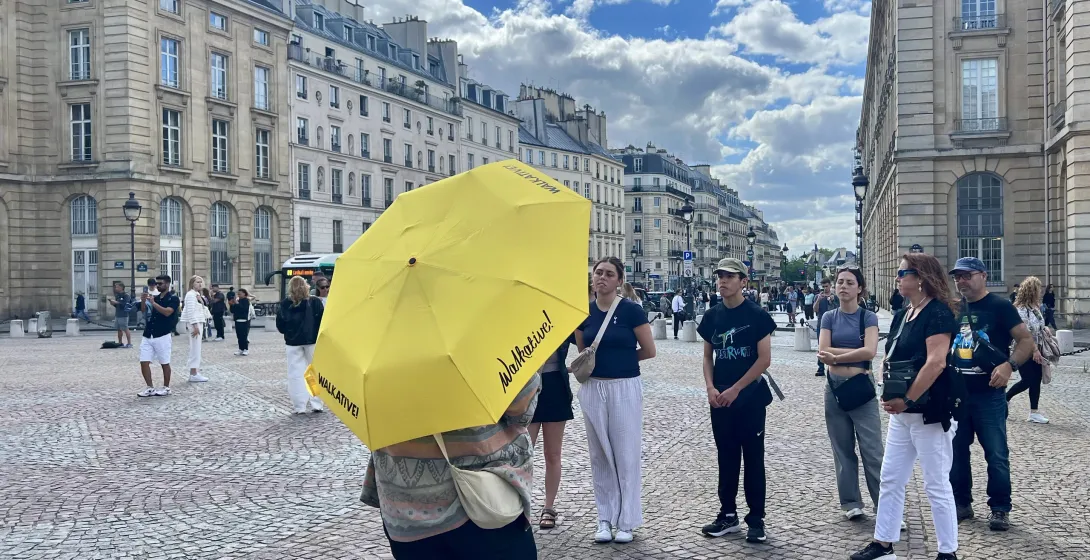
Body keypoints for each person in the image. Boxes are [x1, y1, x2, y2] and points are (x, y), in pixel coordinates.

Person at [850, 253, 961, 560]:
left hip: (928, 410)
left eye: (902, 274)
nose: (897, 279)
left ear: (921, 277)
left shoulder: (938, 313)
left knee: (936, 483)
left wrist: (908, 398)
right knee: (891, 477)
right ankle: (883, 543)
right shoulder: (903, 313)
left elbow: (936, 362)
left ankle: (947, 551)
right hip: (902, 413)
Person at [361, 374, 542, 559]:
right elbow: (521, 409)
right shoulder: (476, 346)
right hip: (478, 500)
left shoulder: (370, 353)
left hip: (402, 509)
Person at [948, 257, 1034, 531]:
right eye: (957, 277)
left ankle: (999, 508)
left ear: (983, 276)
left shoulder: (1000, 306)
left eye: (966, 275)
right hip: (958, 394)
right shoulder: (952, 308)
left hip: (989, 394)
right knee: (956, 452)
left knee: (996, 454)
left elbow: (1026, 341)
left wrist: (1010, 366)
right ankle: (961, 503)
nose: (961, 281)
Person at [575, 257, 656, 544]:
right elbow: (583, 352)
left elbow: (649, 350)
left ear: (619, 280)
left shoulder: (632, 311)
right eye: (598, 273)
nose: (602, 278)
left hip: (624, 387)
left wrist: (621, 360)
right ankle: (604, 518)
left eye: (609, 274)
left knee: (625, 454)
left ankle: (627, 520)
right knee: (599, 456)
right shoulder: (582, 312)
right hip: (593, 388)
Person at [697, 258, 777, 544]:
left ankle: (756, 519)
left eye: (729, 276)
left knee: (753, 458)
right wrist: (709, 387)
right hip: (719, 398)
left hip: (750, 398)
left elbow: (764, 359)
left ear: (744, 281)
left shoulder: (757, 315)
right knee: (726, 457)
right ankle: (727, 515)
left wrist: (737, 389)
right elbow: (708, 355)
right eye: (720, 276)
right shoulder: (712, 316)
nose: (722, 281)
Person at [817, 266, 882, 521]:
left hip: (861, 389)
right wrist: (836, 354)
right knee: (842, 449)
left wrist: (836, 354)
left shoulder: (867, 317)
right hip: (834, 388)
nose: (843, 286)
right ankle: (851, 502)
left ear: (859, 288)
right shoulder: (829, 318)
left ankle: (884, 507)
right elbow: (823, 351)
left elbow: (870, 352)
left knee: (873, 451)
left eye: (849, 283)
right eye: (839, 282)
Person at [528, 332, 576, 530]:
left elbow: (587, 336)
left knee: (553, 454)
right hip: (526, 388)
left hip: (555, 385)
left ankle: (549, 507)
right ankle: (519, 507)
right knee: (523, 453)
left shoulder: (561, 321)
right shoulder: (520, 319)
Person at [276, 276, 326, 415]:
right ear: (306, 286)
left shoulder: (285, 304)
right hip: (312, 340)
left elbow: (280, 326)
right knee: (314, 371)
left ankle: (299, 406)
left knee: (295, 374)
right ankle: (317, 402)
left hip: (292, 342)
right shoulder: (315, 302)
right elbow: (322, 321)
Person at [1007, 277, 1050, 424]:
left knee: (1036, 380)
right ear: (1032, 290)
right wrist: (1034, 351)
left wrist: (1045, 329)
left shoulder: (1035, 307)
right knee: (1028, 379)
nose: (1041, 292)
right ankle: (1006, 398)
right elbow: (1024, 333)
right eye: (1039, 289)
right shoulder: (1020, 309)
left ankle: (1034, 412)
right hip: (1023, 350)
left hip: (1037, 347)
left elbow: (1038, 326)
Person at [137, 275, 180, 397]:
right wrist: (144, 301)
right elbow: (144, 311)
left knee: (164, 362)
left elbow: (167, 312)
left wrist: (153, 303)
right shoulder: (155, 298)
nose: (158, 285)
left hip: (162, 334)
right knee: (144, 361)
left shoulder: (173, 298)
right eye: (157, 284)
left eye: (160, 283)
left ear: (167, 284)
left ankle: (166, 387)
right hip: (148, 333)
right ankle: (149, 387)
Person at [180, 275, 209, 383]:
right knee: (195, 348)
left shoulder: (196, 294)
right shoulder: (190, 295)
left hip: (198, 322)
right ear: (192, 283)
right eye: (197, 282)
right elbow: (191, 311)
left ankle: (195, 370)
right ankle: (193, 373)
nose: (200, 284)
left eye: (201, 282)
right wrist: (195, 326)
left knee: (197, 348)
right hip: (194, 323)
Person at [814, 279, 839, 376]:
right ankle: (820, 367)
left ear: (830, 286)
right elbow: (815, 310)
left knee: (835, 345)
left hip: (834, 324)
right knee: (821, 345)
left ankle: (834, 365)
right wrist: (818, 300)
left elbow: (840, 309)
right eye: (823, 287)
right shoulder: (818, 296)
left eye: (826, 286)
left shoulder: (835, 297)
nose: (825, 288)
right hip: (821, 324)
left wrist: (833, 300)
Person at [107, 282, 133, 348]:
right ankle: (120, 342)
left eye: (117, 287)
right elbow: (118, 305)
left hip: (124, 315)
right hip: (118, 314)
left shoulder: (126, 295)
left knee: (125, 328)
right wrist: (113, 304)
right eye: (116, 287)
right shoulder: (118, 295)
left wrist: (116, 302)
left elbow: (125, 304)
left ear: (121, 288)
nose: (116, 288)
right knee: (119, 329)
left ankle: (129, 343)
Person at [230, 288, 254, 356]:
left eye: (240, 293)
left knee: (244, 336)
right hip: (237, 320)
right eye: (238, 294)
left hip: (244, 320)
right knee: (239, 336)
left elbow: (243, 309)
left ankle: (246, 349)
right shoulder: (238, 300)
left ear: (244, 294)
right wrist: (232, 304)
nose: (239, 295)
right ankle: (240, 349)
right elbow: (233, 310)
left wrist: (237, 303)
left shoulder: (246, 300)